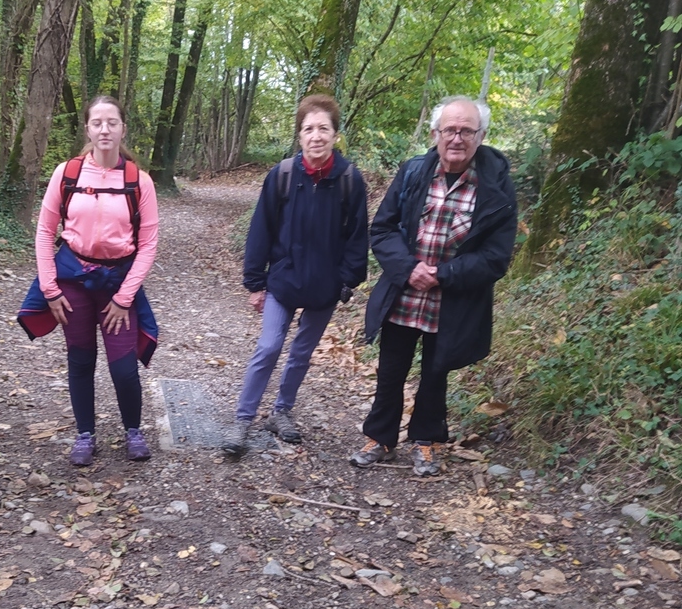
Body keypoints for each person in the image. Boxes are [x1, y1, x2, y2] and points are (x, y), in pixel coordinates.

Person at [349, 95, 518, 477]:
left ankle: (426, 440)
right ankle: (380, 438)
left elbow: (496, 256)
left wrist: (442, 274)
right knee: (390, 370)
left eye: (466, 131)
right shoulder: (413, 173)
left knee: (436, 372)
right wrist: (409, 268)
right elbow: (383, 229)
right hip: (403, 293)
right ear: (435, 133)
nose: (457, 138)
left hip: (454, 300)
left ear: (481, 136)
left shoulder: (496, 186)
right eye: (450, 130)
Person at [222, 95, 368, 454]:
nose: (316, 136)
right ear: (299, 135)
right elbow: (261, 229)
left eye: (323, 128)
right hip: (282, 280)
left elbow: (357, 236)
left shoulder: (349, 180)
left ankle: (281, 412)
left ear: (335, 134)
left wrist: (346, 280)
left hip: (324, 286)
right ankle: (243, 419)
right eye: (308, 129)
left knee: (302, 352)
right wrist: (254, 282)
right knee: (269, 346)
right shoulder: (283, 175)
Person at [26, 95, 159, 467]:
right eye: (97, 122)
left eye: (112, 123)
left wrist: (125, 298)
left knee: (123, 368)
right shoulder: (66, 174)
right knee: (81, 359)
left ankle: (133, 431)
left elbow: (148, 244)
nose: (105, 130)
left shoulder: (139, 181)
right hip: (73, 281)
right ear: (87, 128)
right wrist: (50, 288)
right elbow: (45, 232)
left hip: (118, 283)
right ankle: (85, 434)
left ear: (122, 129)